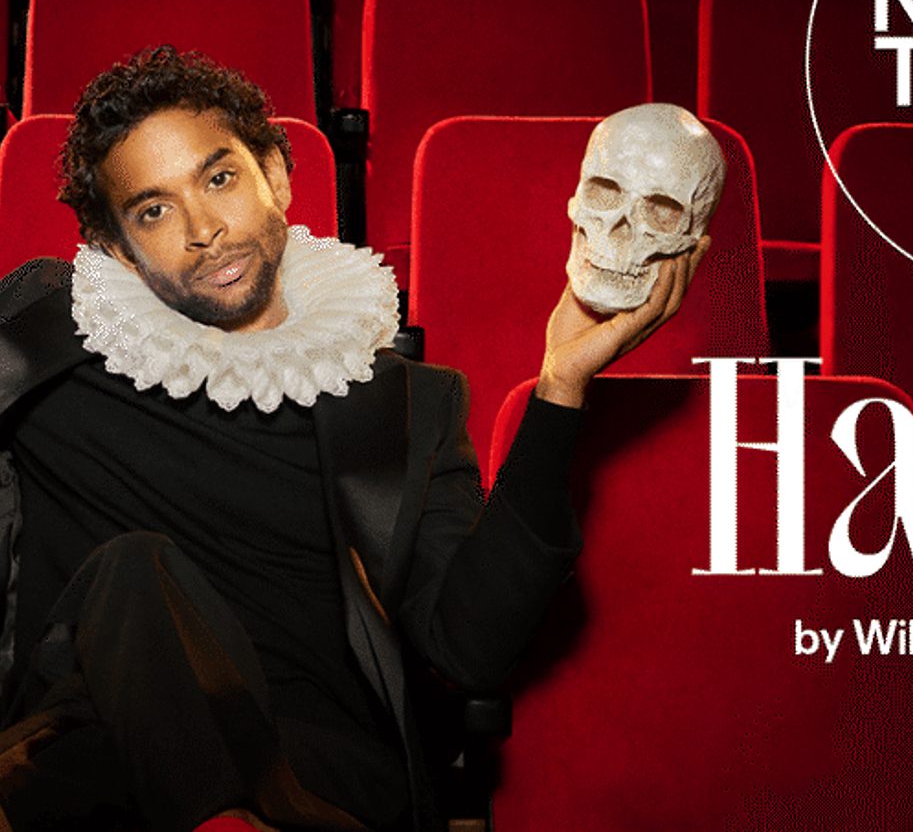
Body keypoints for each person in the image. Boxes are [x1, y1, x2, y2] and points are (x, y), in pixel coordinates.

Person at [0, 46, 708, 831]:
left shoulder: (406, 405)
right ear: (113, 245)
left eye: (220, 177)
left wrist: (560, 386)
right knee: (132, 576)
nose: (204, 228)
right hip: (94, 759)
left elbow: (471, 650)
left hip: (315, 776)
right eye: (153, 210)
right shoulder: (51, 334)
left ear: (278, 174)